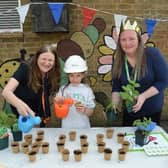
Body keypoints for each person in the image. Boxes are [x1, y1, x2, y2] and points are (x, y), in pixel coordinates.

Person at [111, 20, 168, 126]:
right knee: (128, 140)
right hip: (129, 112)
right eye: (123, 39)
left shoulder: (152, 54)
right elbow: (116, 86)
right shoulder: (117, 59)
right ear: (119, 42)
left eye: (131, 39)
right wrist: (113, 106)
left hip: (151, 112)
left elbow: (164, 81)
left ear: (138, 40)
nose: (127, 43)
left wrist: (143, 96)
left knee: (150, 141)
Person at [2, 44, 61, 127]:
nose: (47, 63)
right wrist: (21, 106)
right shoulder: (25, 68)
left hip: (40, 118)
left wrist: (58, 98)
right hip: (23, 119)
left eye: (50, 60)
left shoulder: (52, 73)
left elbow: (47, 93)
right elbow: (6, 92)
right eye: (44, 59)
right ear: (37, 58)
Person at [55, 55, 95, 128]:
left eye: (78, 75)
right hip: (66, 127)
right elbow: (57, 103)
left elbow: (91, 112)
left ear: (83, 75)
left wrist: (85, 110)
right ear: (67, 75)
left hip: (83, 127)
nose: (75, 79)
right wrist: (59, 100)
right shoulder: (63, 89)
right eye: (72, 75)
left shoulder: (87, 90)